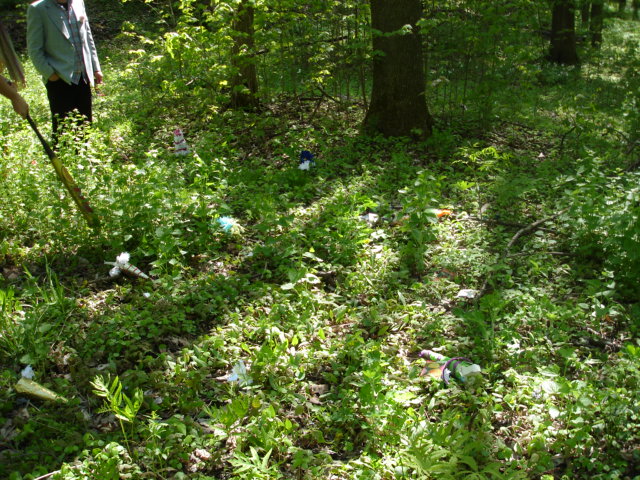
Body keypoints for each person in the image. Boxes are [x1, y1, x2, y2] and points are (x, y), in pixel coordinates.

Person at [27, 0, 102, 143]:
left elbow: (88, 36)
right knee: (62, 129)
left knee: (85, 125)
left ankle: (85, 155)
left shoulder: (78, 2)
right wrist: (50, 74)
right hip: (59, 78)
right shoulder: (38, 9)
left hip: (83, 76)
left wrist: (96, 67)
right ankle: (61, 157)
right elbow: (34, 48)